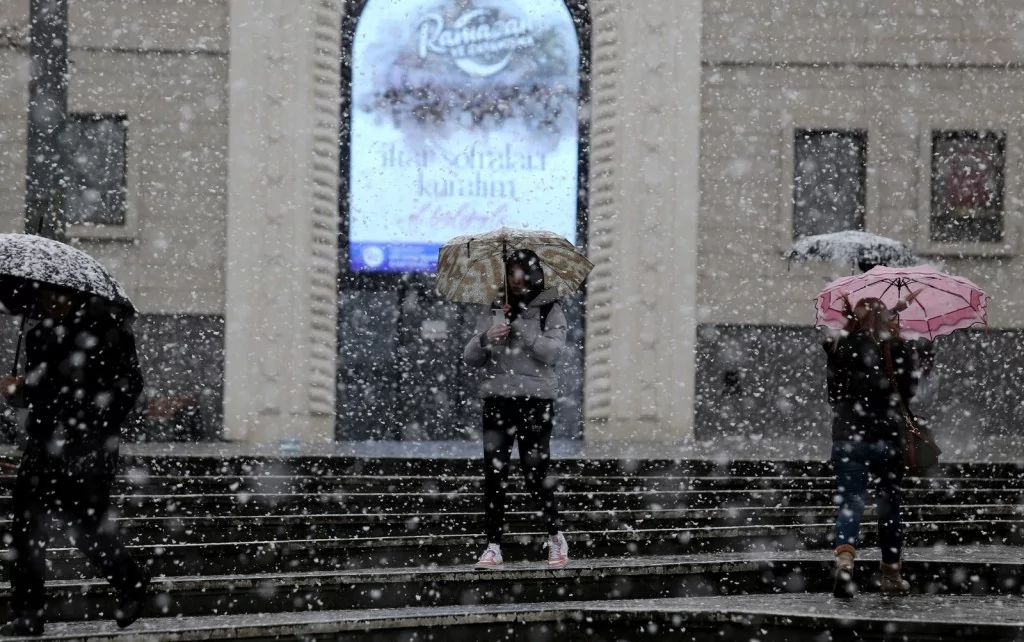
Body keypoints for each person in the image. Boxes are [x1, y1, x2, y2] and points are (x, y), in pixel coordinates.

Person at [0, 286, 149, 636]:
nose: (48, 302)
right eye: (43, 296)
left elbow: (129, 389)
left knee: (85, 528)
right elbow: (40, 395)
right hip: (43, 445)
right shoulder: (37, 334)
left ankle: (131, 581)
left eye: (55, 295)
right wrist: (17, 393)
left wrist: (88, 419)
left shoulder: (108, 330)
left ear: (72, 294)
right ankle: (29, 614)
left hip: (90, 447)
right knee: (26, 530)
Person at [463, 249, 569, 569]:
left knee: (534, 471)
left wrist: (521, 329)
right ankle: (493, 545)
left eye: (522, 273)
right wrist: (486, 337)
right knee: (494, 473)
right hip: (497, 398)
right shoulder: (494, 306)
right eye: (510, 274)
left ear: (534, 275)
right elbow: (471, 357)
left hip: (535, 401)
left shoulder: (549, 308)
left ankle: (555, 537)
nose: (516, 280)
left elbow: (552, 353)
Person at [824, 297, 918, 599]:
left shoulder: (840, 346)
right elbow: (909, 392)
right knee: (889, 504)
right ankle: (890, 573)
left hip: (848, 435)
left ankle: (845, 561)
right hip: (886, 437)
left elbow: (834, 395)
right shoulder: (898, 347)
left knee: (851, 500)